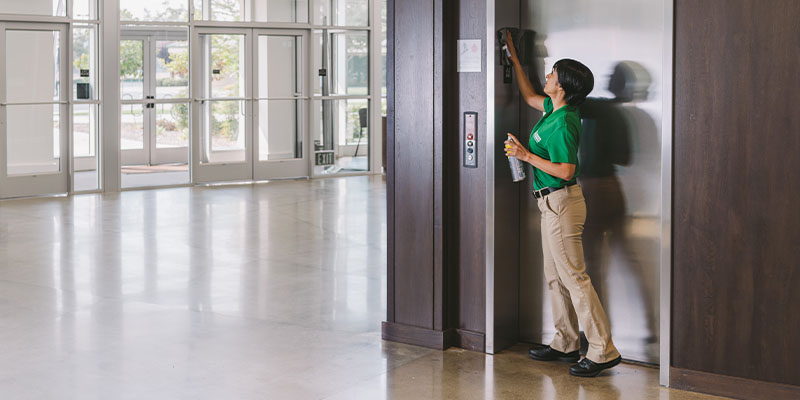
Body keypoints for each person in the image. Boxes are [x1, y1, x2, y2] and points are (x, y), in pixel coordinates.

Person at [503, 31, 622, 377]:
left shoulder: (566, 121)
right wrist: (513, 58)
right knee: (554, 276)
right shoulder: (554, 106)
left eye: (553, 73)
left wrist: (526, 156)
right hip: (549, 204)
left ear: (564, 86)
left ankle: (603, 349)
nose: (549, 75)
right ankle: (566, 341)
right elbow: (528, 96)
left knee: (574, 277)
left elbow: (566, 169)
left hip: (563, 204)